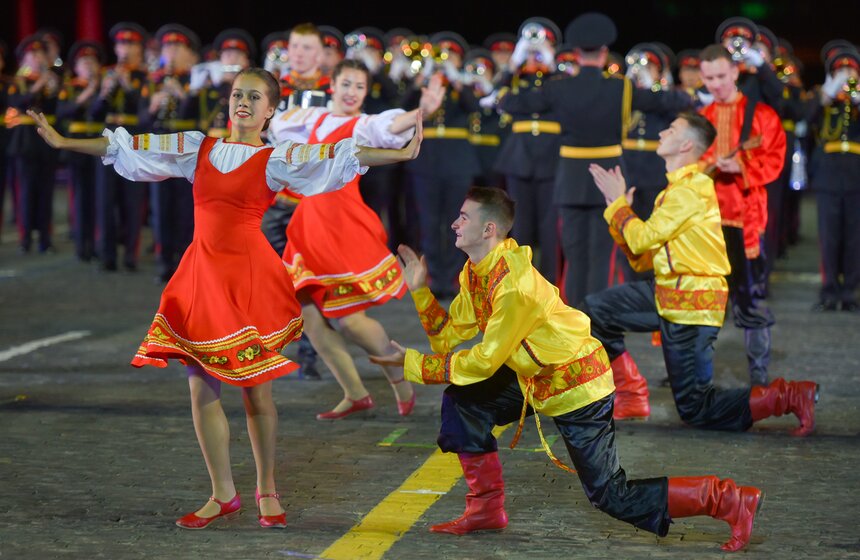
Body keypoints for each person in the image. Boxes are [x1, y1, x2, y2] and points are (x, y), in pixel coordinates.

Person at [27, 67, 423, 529]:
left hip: (248, 278)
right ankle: (222, 494)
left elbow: (341, 155)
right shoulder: (198, 147)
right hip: (202, 274)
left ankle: (268, 490)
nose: (243, 103)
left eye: (255, 97)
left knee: (257, 393)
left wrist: (402, 153)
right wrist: (62, 142)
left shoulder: (278, 158)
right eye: (238, 94)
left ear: (271, 110)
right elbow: (129, 145)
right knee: (201, 387)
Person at [371, 186, 765, 552]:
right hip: (538, 377)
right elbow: (446, 338)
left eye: (463, 217)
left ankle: (728, 500)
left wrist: (413, 364)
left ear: (488, 228)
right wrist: (420, 290)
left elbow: (485, 360)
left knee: (611, 495)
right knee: (464, 403)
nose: (455, 223)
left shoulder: (513, 286)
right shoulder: (476, 272)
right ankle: (486, 509)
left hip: (579, 386)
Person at [583, 111, 818, 438]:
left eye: (672, 129)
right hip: (669, 292)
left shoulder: (690, 189)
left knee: (696, 407)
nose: (663, 131)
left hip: (692, 304)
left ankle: (788, 396)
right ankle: (631, 395)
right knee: (596, 311)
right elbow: (644, 257)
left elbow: (641, 238)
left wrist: (618, 206)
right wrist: (618, 210)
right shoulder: (677, 189)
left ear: (686, 146)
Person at [269, 59, 442, 419]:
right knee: (309, 317)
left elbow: (389, 124)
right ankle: (355, 391)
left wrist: (420, 112)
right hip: (307, 223)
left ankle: (398, 375)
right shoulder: (308, 120)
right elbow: (273, 130)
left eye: (360, 87)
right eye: (346, 84)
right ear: (332, 85)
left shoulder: (362, 126)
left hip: (338, 222)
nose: (352, 92)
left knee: (349, 319)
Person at [496, 13, 693, 307]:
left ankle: (574, 321)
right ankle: (596, 323)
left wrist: (511, 68)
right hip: (610, 177)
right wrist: (686, 94)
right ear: (603, 53)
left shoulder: (558, 86)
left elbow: (509, 102)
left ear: (575, 54)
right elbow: (667, 101)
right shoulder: (621, 87)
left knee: (575, 256)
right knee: (602, 255)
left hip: (571, 178)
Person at [698, 44, 786, 386]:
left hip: (745, 217)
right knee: (704, 297)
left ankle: (759, 372)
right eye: (709, 78)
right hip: (706, 219)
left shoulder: (761, 115)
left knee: (751, 294)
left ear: (735, 72)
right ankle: (696, 369)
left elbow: (775, 158)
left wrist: (741, 165)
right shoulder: (702, 119)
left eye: (721, 76)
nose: (716, 84)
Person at [88, 22, 150, 272]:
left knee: (132, 202)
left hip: (134, 143)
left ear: (139, 49)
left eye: (130, 45)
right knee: (106, 200)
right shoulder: (106, 75)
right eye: (121, 44)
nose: (125, 50)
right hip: (109, 143)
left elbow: (146, 112)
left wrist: (127, 87)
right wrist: (104, 94)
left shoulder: (146, 77)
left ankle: (130, 255)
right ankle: (108, 255)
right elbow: (94, 114)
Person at [807, 45, 860, 312]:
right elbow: (806, 119)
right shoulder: (824, 98)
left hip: (856, 176)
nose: (846, 75)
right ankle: (829, 291)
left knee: (854, 237)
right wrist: (827, 94)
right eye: (841, 71)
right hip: (828, 175)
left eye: (851, 71)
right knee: (829, 238)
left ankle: (849, 292)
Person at [7, 35, 60, 254]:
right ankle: (25, 238)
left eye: (40, 53)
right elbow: (17, 103)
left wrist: (52, 86)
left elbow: (57, 108)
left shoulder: (52, 80)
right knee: (26, 192)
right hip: (25, 141)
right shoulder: (18, 81)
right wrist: (38, 85)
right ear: (24, 59)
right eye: (32, 54)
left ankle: (45, 239)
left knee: (46, 191)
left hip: (45, 139)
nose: (37, 57)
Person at [57, 40, 105, 262]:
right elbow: (63, 112)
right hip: (77, 146)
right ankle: (80, 245)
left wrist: (100, 92)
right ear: (76, 67)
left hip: (98, 144)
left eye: (92, 61)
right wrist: (86, 93)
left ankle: (95, 244)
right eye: (83, 62)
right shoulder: (70, 87)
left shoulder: (105, 86)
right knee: (79, 197)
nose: (88, 65)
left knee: (98, 197)